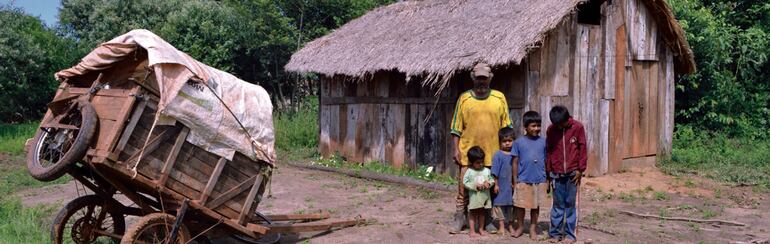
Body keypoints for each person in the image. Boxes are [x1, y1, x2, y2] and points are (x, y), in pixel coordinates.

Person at [449, 62, 513, 233]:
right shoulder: (464, 98)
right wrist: (456, 149)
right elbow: (456, 128)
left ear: (490, 78)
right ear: (473, 78)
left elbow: (507, 127)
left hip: (493, 154)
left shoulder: (499, 98)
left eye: (484, 79)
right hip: (468, 154)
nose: (482, 82)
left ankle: (490, 219)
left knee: (491, 188)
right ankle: (460, 217)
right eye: (478, 79)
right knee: (464, 188)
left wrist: (507, 152)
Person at [545, 106, 587, 244]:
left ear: (567, 119)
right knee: (557, 205)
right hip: (556, 173)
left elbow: (582, 148)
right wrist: (549, 172)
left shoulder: (578, 127)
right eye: (555, 124)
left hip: (573, 173)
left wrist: (580, 170)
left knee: (570, 204)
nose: (558, 127)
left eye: (560, 124)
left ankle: (570, 234)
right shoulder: (551, 130)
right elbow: (549, 151)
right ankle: (555, 233)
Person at [511, 111, 548, 240]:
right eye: (533, 126)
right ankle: (520, 227)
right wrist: (515, 180)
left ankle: (533, 228)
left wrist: (547, 178)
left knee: (535, 206)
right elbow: (515, 162)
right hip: (523, 179)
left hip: (539, 179)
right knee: (520, 206)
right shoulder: (518, 143)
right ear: (525, 127)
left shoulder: (544, 142)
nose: (536, 128)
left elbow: (547, 160)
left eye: (538, 125)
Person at [463, 146, 495, 237]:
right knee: (472, 213)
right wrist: (474, 185)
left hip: (484, 197)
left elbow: (492, 180)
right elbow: (465, 182)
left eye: (482, 162)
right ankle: (472, 231)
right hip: (474, 197)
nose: (481, 164)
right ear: (472, 162)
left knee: (482, 213)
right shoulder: (469, 171)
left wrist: (488, 183)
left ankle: (481, 229)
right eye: (478, 163)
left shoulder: (487, 171)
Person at [490, 127, 516, 236]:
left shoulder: (515, 155)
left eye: (509, 141)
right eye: (504, 141)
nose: (507, 143)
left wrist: (515, 182)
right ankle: (501, 227)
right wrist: (495, 184)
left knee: (511, 206)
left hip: (511, 185)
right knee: (499, 205)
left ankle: (510, 225)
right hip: (501, 184)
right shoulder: (498, 155)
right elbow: (494, 171)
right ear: (500, 142)